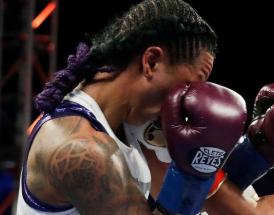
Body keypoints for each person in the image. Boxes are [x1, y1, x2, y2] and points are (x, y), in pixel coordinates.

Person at [14, 0, 269, 214]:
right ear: (152, 61)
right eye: (188, 85)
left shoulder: (133, 119)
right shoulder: (83, 151)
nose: (187, 99)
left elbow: (200, 195)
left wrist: (259, 148)